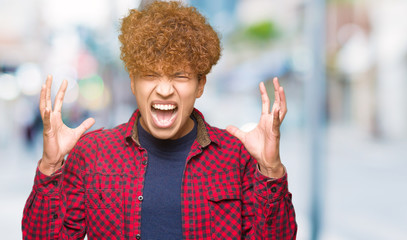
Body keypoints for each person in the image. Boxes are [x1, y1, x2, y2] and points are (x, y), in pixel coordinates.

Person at [22, 1, 297, 239]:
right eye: (151, 75)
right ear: (132, 82)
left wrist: (270, 170)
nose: (165, 89)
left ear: (200, 85)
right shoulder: (92, 154)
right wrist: (50, 166)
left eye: (180, 76)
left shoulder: (236, 156)